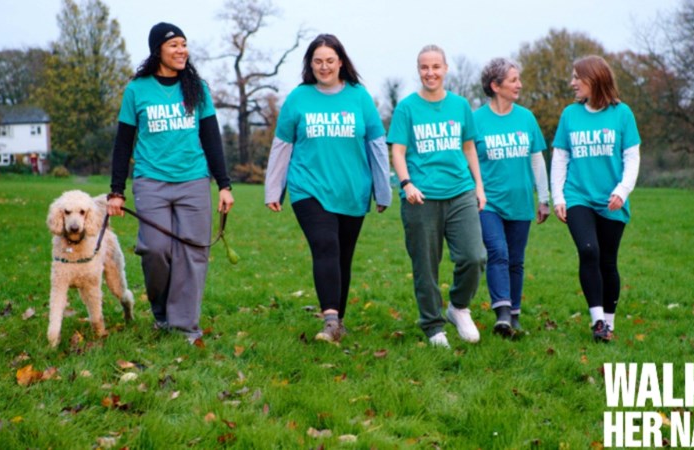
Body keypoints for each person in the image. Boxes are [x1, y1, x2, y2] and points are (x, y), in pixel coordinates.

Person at [107, 22, 234, 344]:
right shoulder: (137, 90)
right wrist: (116, 191)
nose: (181, 50)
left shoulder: (197, 88)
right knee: (155, 249)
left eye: (184, 44)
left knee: (193, 253)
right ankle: (162, 312)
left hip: (193, 181)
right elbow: (123, 143)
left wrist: (224, 185)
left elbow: (211, 137)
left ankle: (185, 325)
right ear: (158, 50)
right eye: (174, 45)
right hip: (151, 181)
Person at [265, 34, 390, 343]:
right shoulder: (298, 98)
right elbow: (282, 145)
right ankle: (330, 320)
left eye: (330, 61)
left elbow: (376, 145)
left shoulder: (360, 97)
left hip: (352, 189)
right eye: (318, 61)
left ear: (341, 62)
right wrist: (274, 189)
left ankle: (339, 320)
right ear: (310, 64)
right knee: (325, 245)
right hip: (308, 187)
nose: (324, 67)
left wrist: (383, 190)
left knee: (342, 256)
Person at [388, 44, 487, 349]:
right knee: (426, 267)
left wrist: (479, 186)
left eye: (435, 67)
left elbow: (469, 148)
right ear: (419, 70)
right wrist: (407, 184)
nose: (430, 72)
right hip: (421, 198)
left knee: (474, 256)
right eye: (424, 67)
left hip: (460, 192)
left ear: (445, 69)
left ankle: (458, 307)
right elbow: (398, 151)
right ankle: (432, 325)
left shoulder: (460, 106)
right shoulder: (406, 108)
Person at [550, 55, 640, 343]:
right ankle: (598, 321)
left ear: (594, 79)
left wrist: (622, 191)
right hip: (578, 196)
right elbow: (560, 158)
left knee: (608, 262)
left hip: (612, 199)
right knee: (589, 251)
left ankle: (609, 324)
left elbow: (632, 157)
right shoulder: (570, 115)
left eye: (577, 77)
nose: (572, 83)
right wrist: (558, 196)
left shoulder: (622, 114)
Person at [474, 58, 550, 339]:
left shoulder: (526, 118)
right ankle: (502, 313)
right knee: (498, 252)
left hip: (520, 201)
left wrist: (544, 198)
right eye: (513, 80)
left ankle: (514, 316)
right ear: (495, 86)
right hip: (488, 203)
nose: (519, 84)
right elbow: (467, 160)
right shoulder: (475, 120)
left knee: (516, 260)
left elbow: (537, 159)